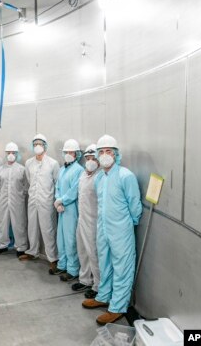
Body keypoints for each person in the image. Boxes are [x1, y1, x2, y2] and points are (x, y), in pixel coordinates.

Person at [82, 135, 142, 326]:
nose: (105, 155)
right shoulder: (100, 177)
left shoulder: (126, 175)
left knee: (122, 267)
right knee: (105, 263)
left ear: (116, 155)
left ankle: (117, 307)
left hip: (121, 230)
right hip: (103, 229)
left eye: (109, 152)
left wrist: (126, 225)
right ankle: (104, 295)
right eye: (102, 152)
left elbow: (135, 205)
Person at [20, 134, 60, 273]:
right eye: (35, 143)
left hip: (47, 201)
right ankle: (33, 251)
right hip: (33, 200)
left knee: (48, 230)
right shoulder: (29, 163)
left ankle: (53, 258)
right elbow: (29, 180)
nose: (37, 146)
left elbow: (57, 183)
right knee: (32, 226)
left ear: (45, 146)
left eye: (40, 143)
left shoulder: (53, 163)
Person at [54, 139, 84, 280]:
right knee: (61, 238)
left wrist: (62, 200)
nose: (68, 154)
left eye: (71, 152)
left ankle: (72, 270)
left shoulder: (79, 170)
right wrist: (57, 200)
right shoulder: (62, 169)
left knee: (71, 239)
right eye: (66, 152)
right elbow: (57, 187)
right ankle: (62, 264)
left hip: (71, 209)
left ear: (76, 154)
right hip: (61, 209)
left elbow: (74, 191)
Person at [74, 144, 100, 297]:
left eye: (93, 158)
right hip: (82, 218)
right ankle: (85, 280)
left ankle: (97, 285)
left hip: (94, 221)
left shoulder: (100, 176)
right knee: (82, 250)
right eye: (87, 158)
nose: (90, 161)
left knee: (93, 253)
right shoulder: (83, 175)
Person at [0, 142, 28, 257]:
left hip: (17, 200)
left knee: (19, 223)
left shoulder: (22, 169)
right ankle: (2, 245)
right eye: (9, 152)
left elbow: (25, 186)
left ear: (17, 154)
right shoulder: (0, 169)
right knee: (3, 222)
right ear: (6, 153)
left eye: (13, 153)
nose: (11, 155)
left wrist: (19, 196)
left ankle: (21, 247)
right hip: (3, 200)